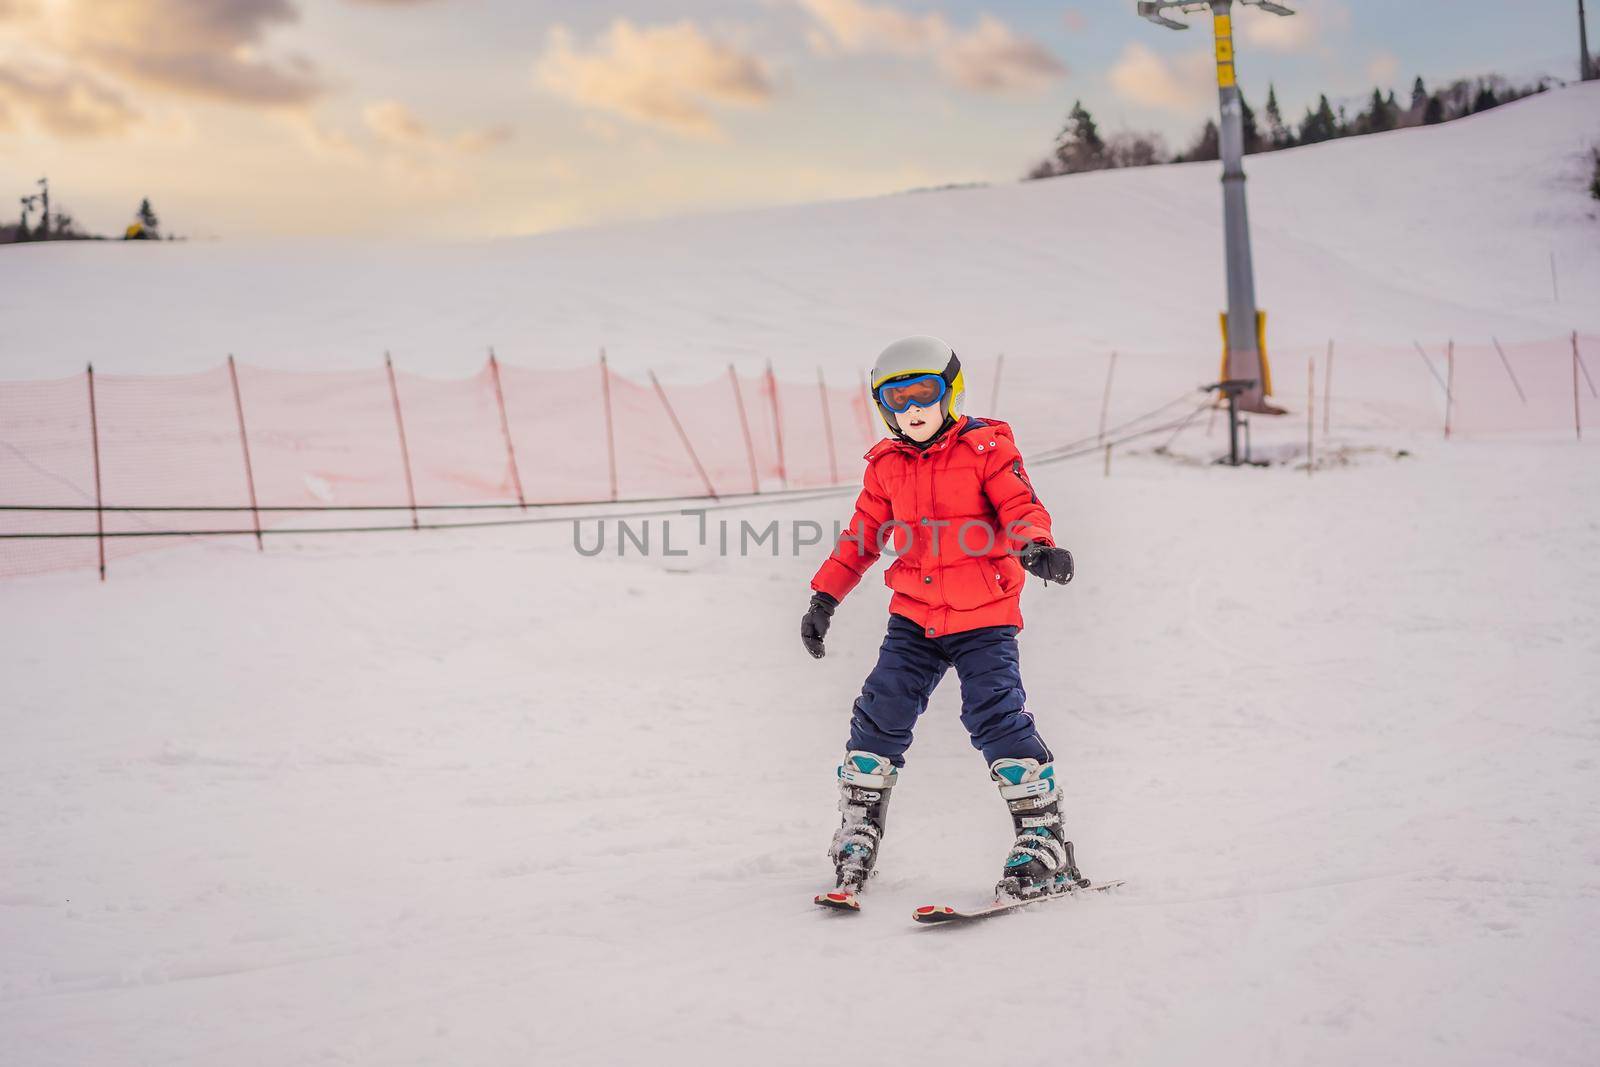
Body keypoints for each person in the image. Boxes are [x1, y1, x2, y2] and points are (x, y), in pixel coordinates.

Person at [802, 335, 1081, 904]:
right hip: (915, 618)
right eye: (896, 398)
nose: (912, 409)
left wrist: (1035, 546)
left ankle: (1043, 838)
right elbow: (860, 538)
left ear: (949, 390)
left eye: (923, 392)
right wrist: (824, 598)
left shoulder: (985, 448)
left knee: (994, 713)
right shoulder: (886, 465)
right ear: (883, 406)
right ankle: (858, 827)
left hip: (983, 615)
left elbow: (1019, 505)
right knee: (881, 710)